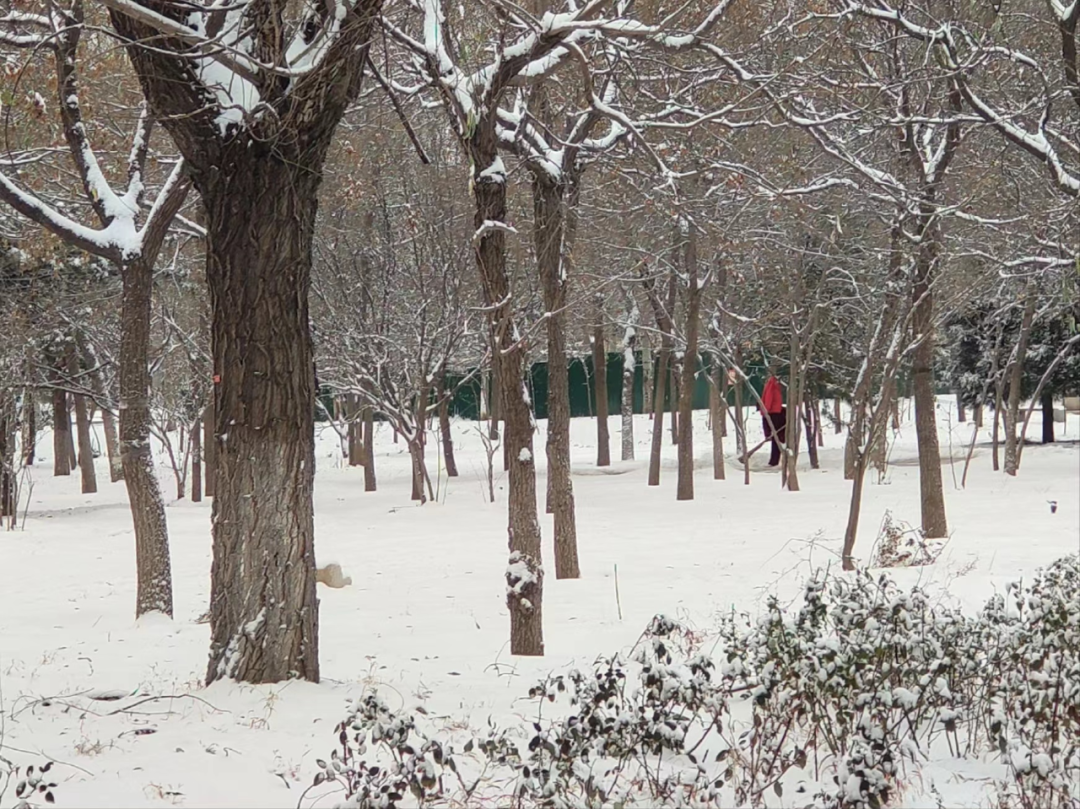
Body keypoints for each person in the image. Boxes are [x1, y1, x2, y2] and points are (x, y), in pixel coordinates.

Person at [761, 372, 786, 467]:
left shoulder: (772, 384)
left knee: (777, 438)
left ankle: (774, 460)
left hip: (774, 412)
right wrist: (766, 412)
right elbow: (768, 399)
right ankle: (774, 460)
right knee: (777, 438)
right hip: (773, 413)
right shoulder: (773, 384)